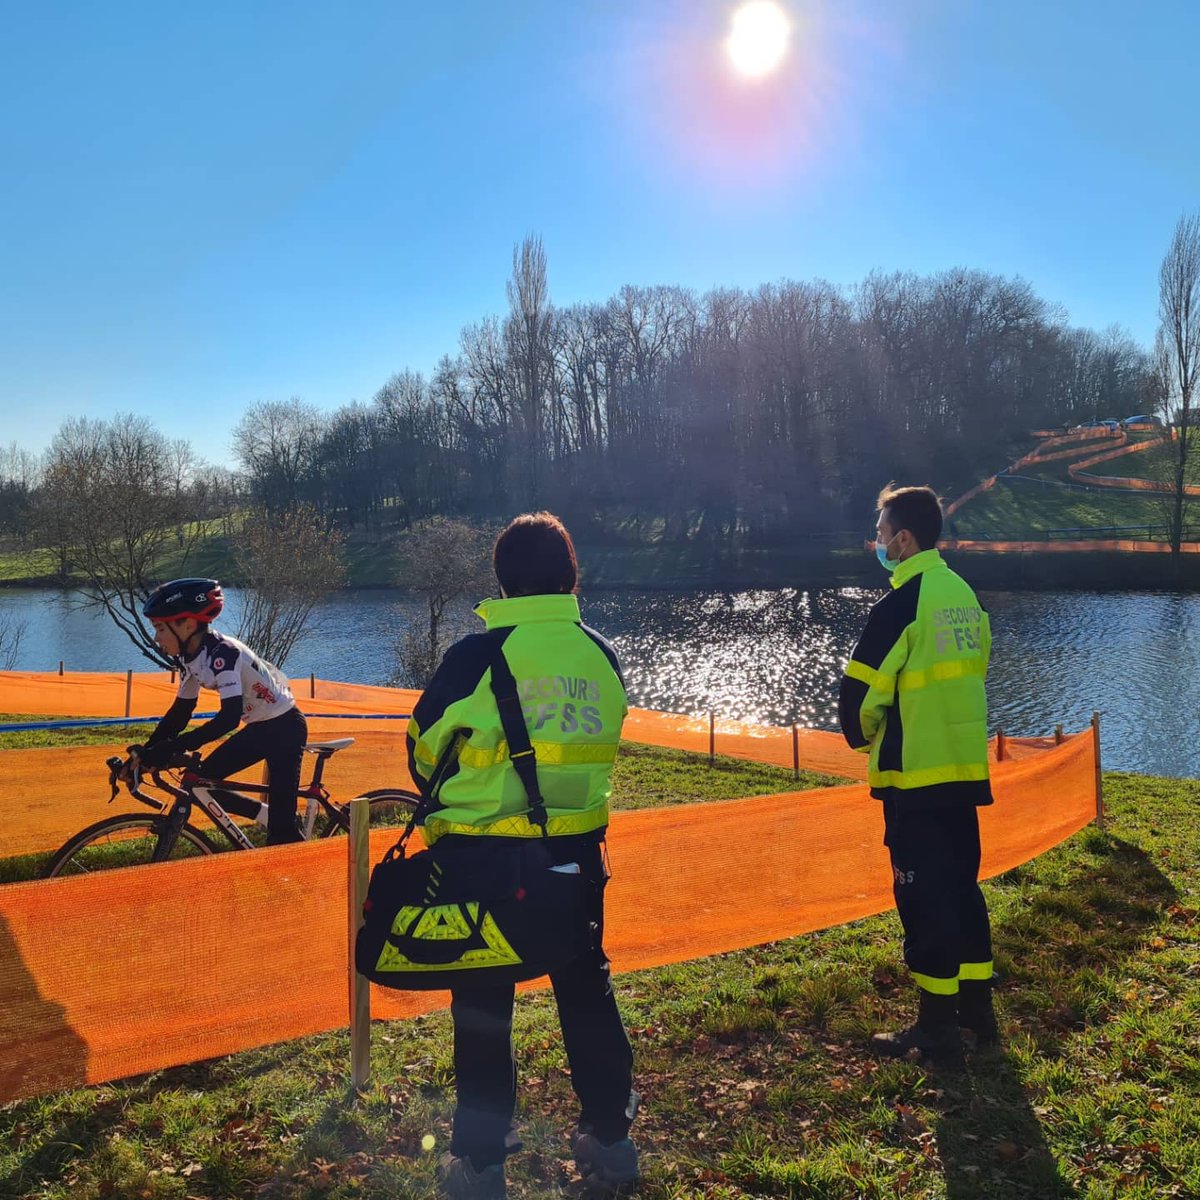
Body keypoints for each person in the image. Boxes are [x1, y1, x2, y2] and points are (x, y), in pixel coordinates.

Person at [407, 513, 638, 1200]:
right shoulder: (601, 653)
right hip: (575, 858)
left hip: (483, 862)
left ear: (502, 581)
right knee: (587, 996)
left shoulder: (476, 656)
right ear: (572, 575)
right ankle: (612, 1141)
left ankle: (480, 1166)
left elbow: (423, 753)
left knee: (482, 1009)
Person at [837, 485, 997, 1065]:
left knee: (922, 898)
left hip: (914, 779)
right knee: (961, 891)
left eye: (881, 533)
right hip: (962, 772)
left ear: (903, 539)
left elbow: (857, 702)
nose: (877, 542)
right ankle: (978, 1015)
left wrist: (864, 737)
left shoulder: (901, 604)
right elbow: (974, 668)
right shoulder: (962, 593)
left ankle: (936, 1030)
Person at [129, 577, 309, 846]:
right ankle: (267, 816)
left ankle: (292, 846)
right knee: (201, 783)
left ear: (187, 625)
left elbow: (228, 718)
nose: (156, 639)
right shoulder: (191, 658)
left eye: (160, 629)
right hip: (261, 727)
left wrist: (175, 746)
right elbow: (180, 712)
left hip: (284, 728)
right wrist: (147, 753)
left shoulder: (223, 654)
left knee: (282, 837)